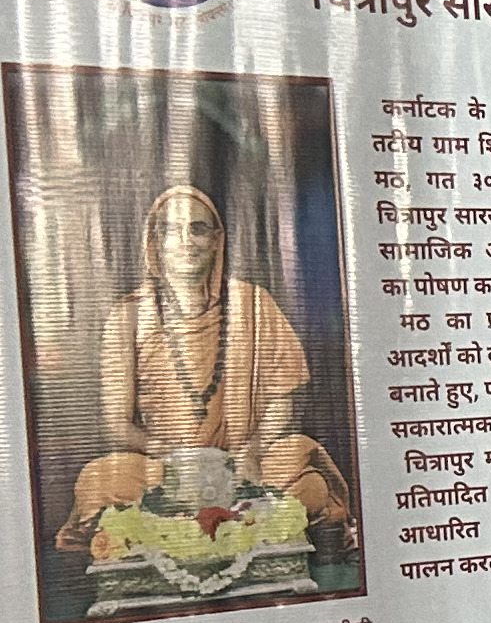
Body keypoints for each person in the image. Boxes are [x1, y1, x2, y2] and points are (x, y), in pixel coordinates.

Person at [62, 184, 352, 551]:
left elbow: (282, 398)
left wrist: (253, 449)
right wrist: (167, 455)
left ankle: (185, 528)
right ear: (155, 242)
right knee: (97, 481)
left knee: (306, 473)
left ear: (216, 240)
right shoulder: (128, 316)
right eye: (172, 230)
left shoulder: (253, 304)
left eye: (197, 229)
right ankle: (237, 525)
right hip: (168, 469)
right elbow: (117, 421)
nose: (186, 241)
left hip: (244, 464)